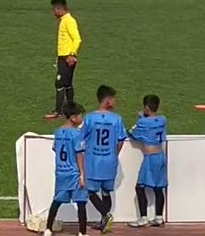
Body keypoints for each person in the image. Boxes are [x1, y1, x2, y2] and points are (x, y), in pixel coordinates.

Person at [82, 85, 126, 233]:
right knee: (106, 192)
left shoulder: (89, 118)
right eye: (113, 99)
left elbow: (81, 138)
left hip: (93, 161)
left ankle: (106, 216)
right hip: (110, 160)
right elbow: (120, 141)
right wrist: (114, 154)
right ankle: (104, 222)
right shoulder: (117, 119)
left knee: (90, 192)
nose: (115, 102)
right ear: (107, 100)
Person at [46, 102, 88, 236]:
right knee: (81, 202)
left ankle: (48, 229)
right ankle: (82, 232)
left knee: (57, 201)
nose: (82, 119)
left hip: (61, 172)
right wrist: (82, 175)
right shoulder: (76, 134)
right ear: (73, 117)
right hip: (73, 172)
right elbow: (79, 154)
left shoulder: (58, 131)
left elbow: (55, 148)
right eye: (81, 116)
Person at [129, 94, 167, 228]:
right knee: (158, 187)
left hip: (150, 157)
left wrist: (139, 118)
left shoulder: (142, 122)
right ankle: (158, 217)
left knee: (140, 187)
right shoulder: (163, 119)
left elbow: (134, 135)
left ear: (146, 107)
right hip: (161, 156)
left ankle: (143, 218)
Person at [47, 0, 81, 119]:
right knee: (67, 84)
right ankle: (70, 109)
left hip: (67, 57)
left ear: (59, 8)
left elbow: (77, 38)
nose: (53, 13)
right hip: (64, 57)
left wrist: (72, 54)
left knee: (59, 83)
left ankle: (58, 111)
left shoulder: (69, 21)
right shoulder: (65, 20)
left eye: (54, 10)